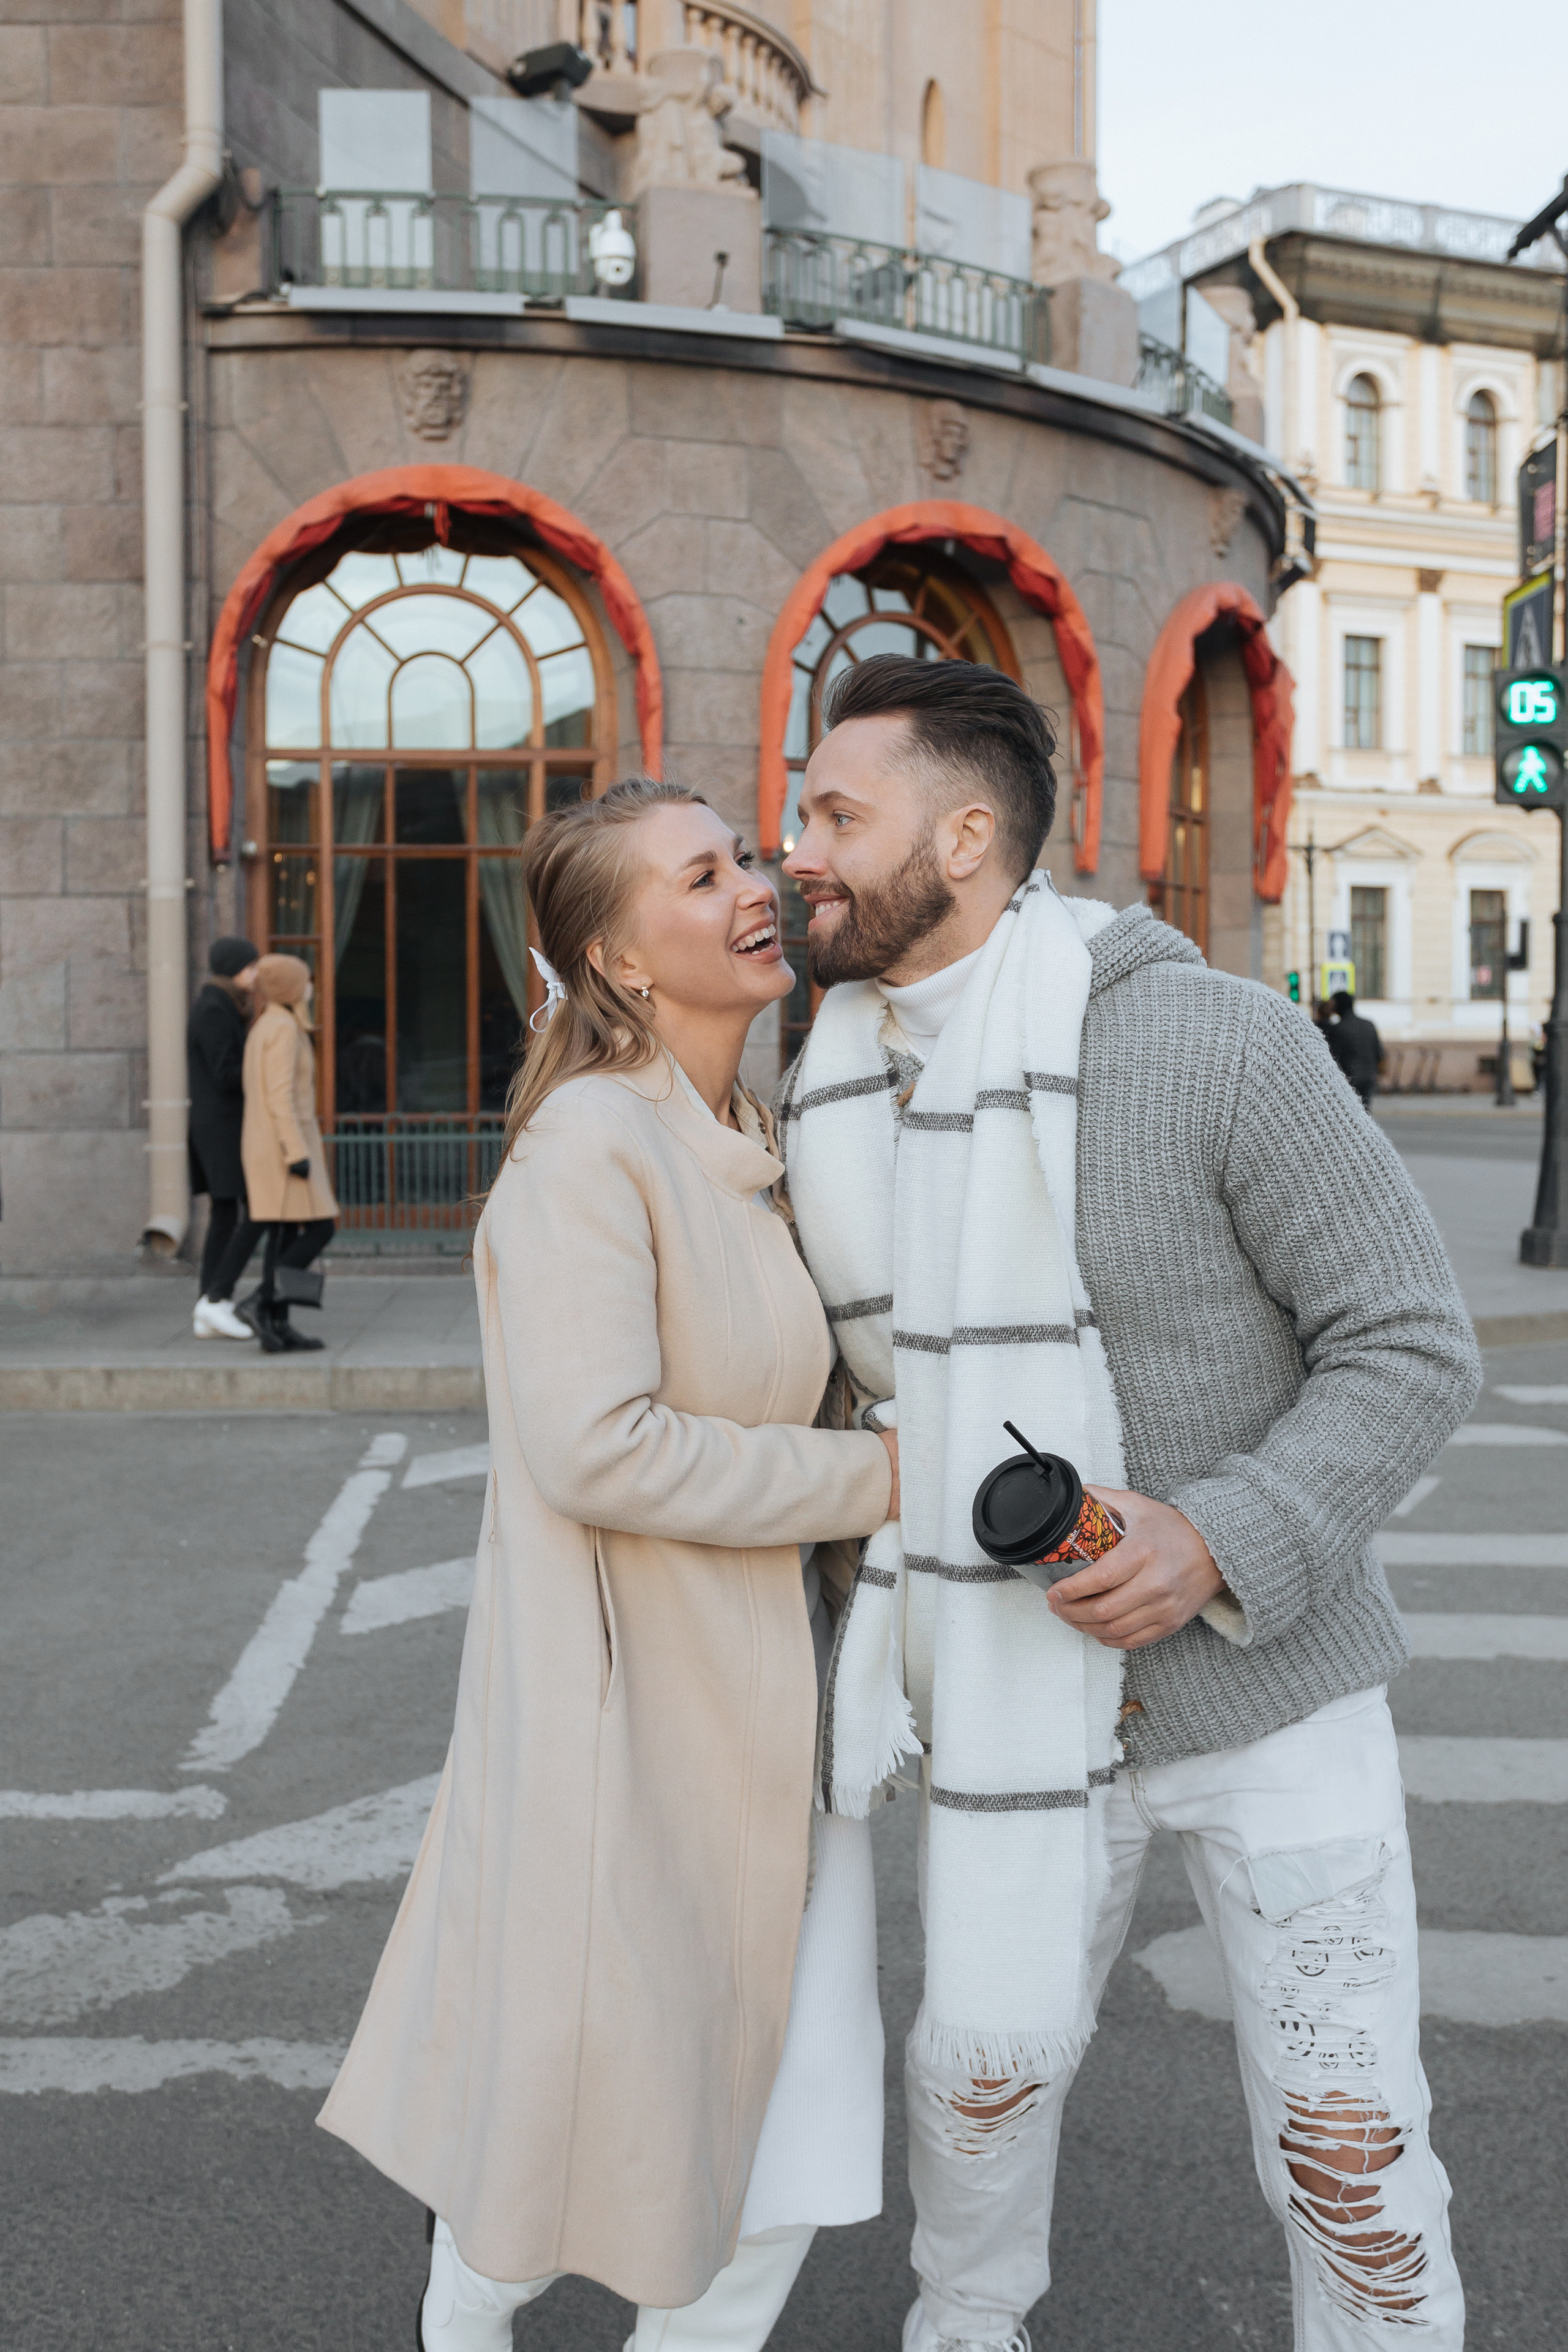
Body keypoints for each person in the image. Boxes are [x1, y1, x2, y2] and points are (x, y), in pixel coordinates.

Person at [776, 655, 1480, 2352]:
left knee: (1347, 2141)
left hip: (1270, 1696)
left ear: (964, 838)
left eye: (833, 814)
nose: (795, 846)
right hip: (1001, 1707)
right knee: (978, 2099)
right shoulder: (812, 1084)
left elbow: (1409, 1340)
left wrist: (1219, 1533)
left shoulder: (1212, 1038)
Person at [318, 778, 900, 2352]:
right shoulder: (590, 1146)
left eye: (742, 856)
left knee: (785, 2136)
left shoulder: (754, 1133)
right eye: (698, 876)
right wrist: (878, 1476)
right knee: (565, 2132)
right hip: (631, 1723)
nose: (751, 887)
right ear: (621, 962)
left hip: (775, 1718)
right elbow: (598, 1444)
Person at [238, 954, 338, 1355]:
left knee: (284, 1236)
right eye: (305, 981)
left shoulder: (270, 1024)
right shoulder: (281, 1028)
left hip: (270, 1146)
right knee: (320, 1228)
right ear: (291, 988)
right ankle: (262, 1303)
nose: (311, 987)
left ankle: (277, 1324)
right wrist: (296, 1152)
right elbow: (280, 1097)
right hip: (283, 1149)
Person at [187, 934, 260, 1339]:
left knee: (227, 1213)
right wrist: (261, 1068)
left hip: (221, 1125)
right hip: (221, 1128)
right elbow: (224, 1072)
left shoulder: (222, 1006)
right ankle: (215, 1299)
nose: (256, 974)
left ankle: (208, 1305)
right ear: (234, 968)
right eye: (251, 967)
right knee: (243, 1211)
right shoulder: (215, 1010)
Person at [1325, 986, 1382, 1110]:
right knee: (1366, 1113)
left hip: (1349, 1078)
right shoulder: (1368, 1024)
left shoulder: (1339, 1029)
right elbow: (1379, 1053)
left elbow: (1333, 1058)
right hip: (1369, 1076)